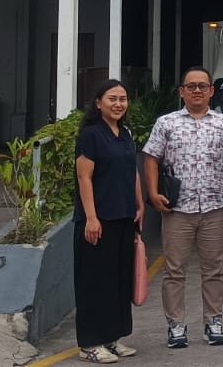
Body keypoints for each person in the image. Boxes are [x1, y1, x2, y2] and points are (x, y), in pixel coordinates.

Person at [141, 67, 223, 348]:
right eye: (191, 86)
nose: (197, 90)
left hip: (215, 207)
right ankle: (176, 325)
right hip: (178, 210)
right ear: (182, 92)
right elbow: (151, 159)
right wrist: (153, 193)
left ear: (211, 91)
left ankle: (213, 322)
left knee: (214, 269)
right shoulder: (166, 123)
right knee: (174, 270)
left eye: (202, 86)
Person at [72, 79, 145, 364]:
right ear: (98, 103)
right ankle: (90, 343)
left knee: (118, 282)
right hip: (99, 220)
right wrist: (91, 218)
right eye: (112, 99)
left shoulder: (124, 132)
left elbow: (132, 170)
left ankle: (112, 338)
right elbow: (84, 177)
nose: (118, 104)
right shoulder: (91, 135)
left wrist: (139, 203)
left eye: (122, 99)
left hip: (124, 217)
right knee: (95, 283)